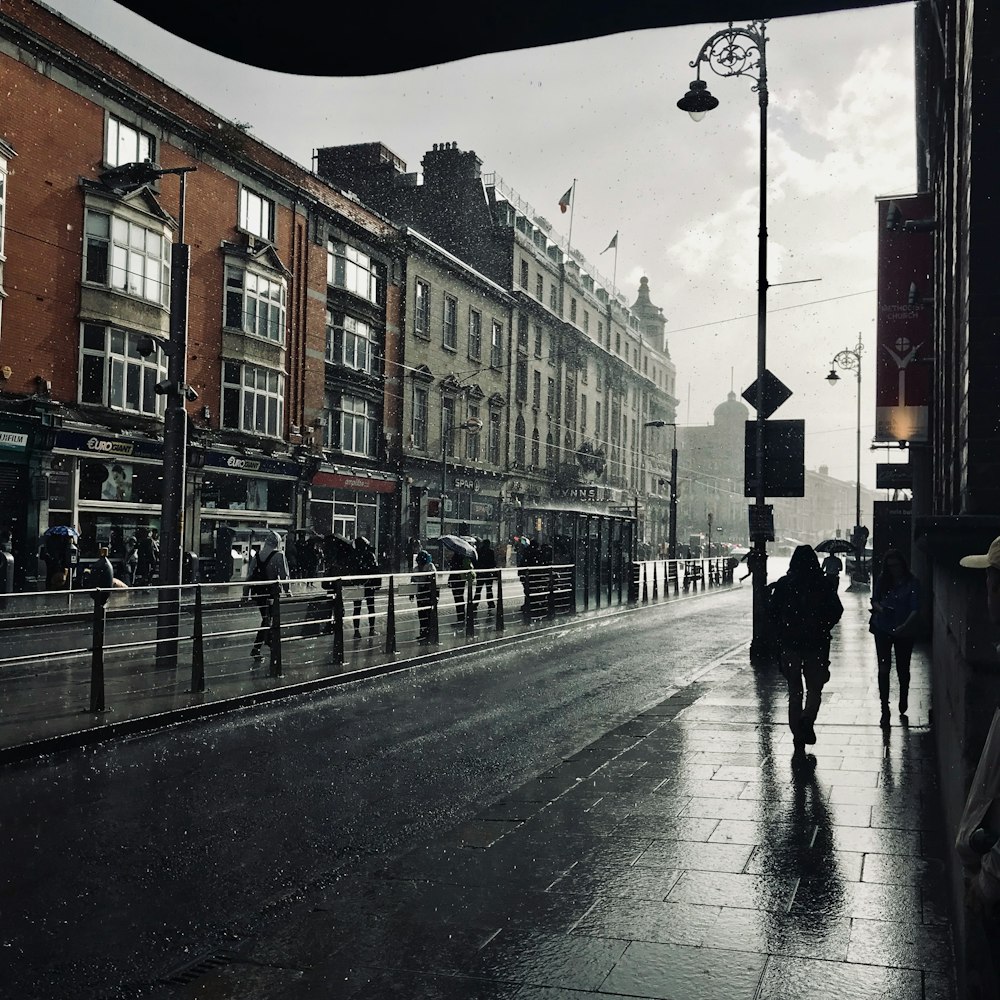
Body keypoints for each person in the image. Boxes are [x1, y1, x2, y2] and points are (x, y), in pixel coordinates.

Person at [768, 544, 844, 753]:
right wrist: (822, 626)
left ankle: (797, 733)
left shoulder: (785, 584)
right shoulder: (823, 584)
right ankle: (807, 719)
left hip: (790, 643)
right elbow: (837, 610)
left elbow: (772, 613)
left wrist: (784, 628)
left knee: (795, 690)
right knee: (815, 687)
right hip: (816, 643)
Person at [869, 548, 920, 727]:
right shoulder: (883, 580)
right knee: (884, 668)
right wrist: (882, 609)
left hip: (904, 630)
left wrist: (904, 625)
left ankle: (903, 696)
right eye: (890, 566)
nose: (893, 570)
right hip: (883, 627)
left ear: (902, 565)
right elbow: (874, 599)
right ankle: (885, 708)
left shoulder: (912, 583)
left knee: (902, 668)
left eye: (896, 566)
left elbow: (915, 608)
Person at [242, 529, 290, 659]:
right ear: (277, 542)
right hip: (271, 593)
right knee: (268, 619)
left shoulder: (257, 555)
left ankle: (266, 643)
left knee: (266, 618)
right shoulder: (279, 555)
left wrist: (245, 594)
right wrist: (287, 590)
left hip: (258, 592)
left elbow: (249, 576)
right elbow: (284, 575)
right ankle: (258, 647)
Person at [351, 536, 381, 639]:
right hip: (369, 584)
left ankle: (356, 631)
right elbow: (376, 570)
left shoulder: (354, 555)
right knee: (371, 607)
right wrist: (377, 584)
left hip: (358, 585)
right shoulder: (370, 555)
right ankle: (371, 629)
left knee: (357, 609)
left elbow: (352, 571)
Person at [409, 548, 438, 644]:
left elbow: (433, 581)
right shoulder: (416, 569)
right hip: (421, 592)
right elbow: (413, 581)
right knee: (421, 613)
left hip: (428, 592)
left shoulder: (430, 567)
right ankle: (423, 632)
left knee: (428, 613)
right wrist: (411, 593)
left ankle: (429, 632)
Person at [447, 548, 476, 628]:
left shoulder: (456, 557)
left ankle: (461, 618)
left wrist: (450, 579)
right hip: (461, 579)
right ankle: (462, 617)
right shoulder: (464, 556)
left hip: (456, 579)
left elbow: (453, 569)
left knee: (458, 598)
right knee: (460, 597)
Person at [471, 537, 497, 623]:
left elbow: (476, 562)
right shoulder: (490, 552)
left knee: (478, 589)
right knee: (489, 589)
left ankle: (475, 603)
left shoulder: (479, 551)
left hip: (481, 573)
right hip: (488, 573)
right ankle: (490, 603)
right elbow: (493, 563)